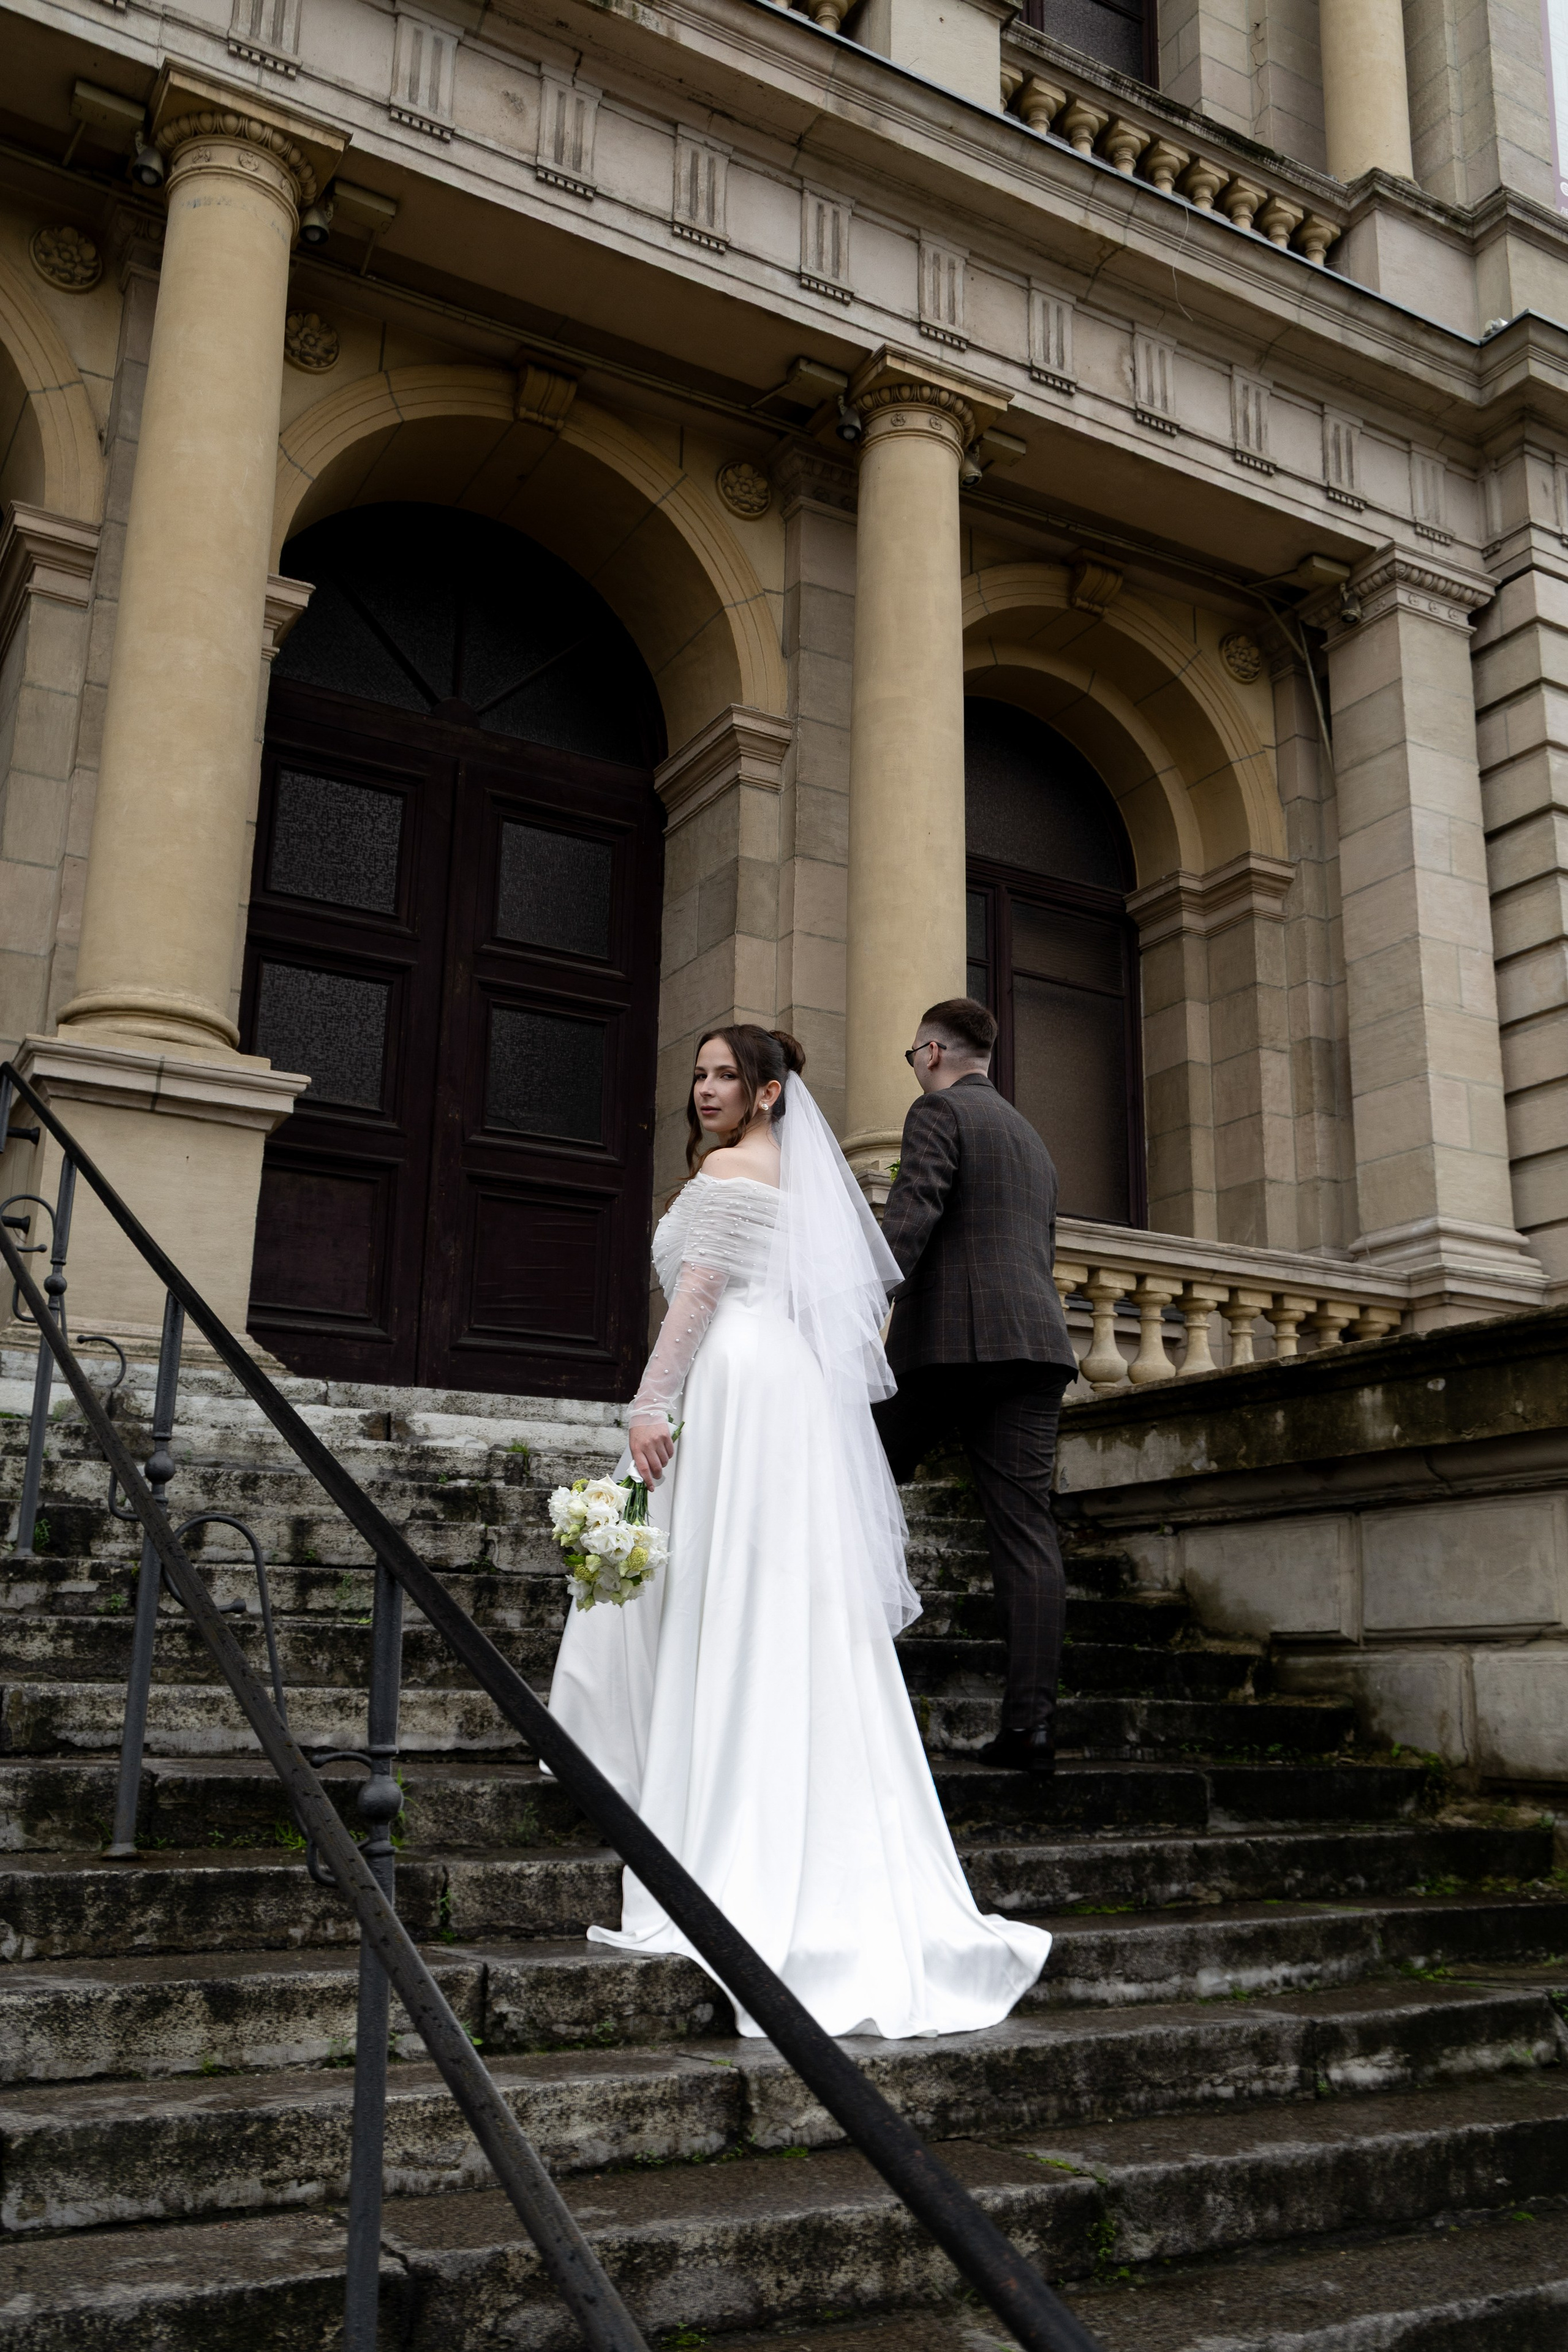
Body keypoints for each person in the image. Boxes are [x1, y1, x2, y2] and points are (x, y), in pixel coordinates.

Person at [547, 1025, 1050, 2040]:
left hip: (735, 1377)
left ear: (770, 1092)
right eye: (697, 1072)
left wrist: (651, 1401)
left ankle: (721, 1796)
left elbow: (695, 1297)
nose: (705, 1089)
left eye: (726, 1074)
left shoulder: (737, 1167)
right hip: (778, 1386)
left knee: (737, 1591)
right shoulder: (775, 1170)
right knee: (768, 1598)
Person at [872, 998, 1079, 1778]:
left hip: (949, 1348)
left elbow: (913, 1212)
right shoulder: (1032, 1141)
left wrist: (858, 1302)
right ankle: (1030, 1731)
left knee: (845, 1466)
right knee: (1026, 1538)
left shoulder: (936, 1112)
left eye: (910, 1056)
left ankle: (831, 1674)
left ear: (930, 1051)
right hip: (1033, 1347)